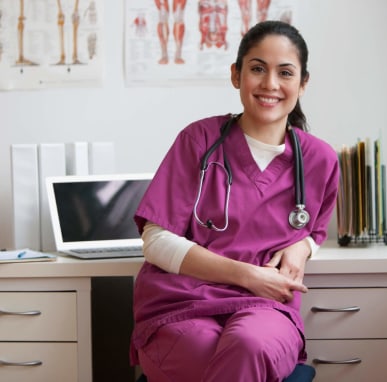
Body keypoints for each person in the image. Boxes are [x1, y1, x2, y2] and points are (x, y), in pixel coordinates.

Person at [130, 20, 339, 382]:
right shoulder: (198, 140)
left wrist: (303, 247)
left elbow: (314, 229)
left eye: (285, 72)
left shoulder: (319, 160)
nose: (270, 84)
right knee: (207, 351)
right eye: (257, 68)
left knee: (249, 346)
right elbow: (156, 240)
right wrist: (249, 275)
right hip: (181, 303)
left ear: (303, 82)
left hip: (266, 308)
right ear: (236, 75)